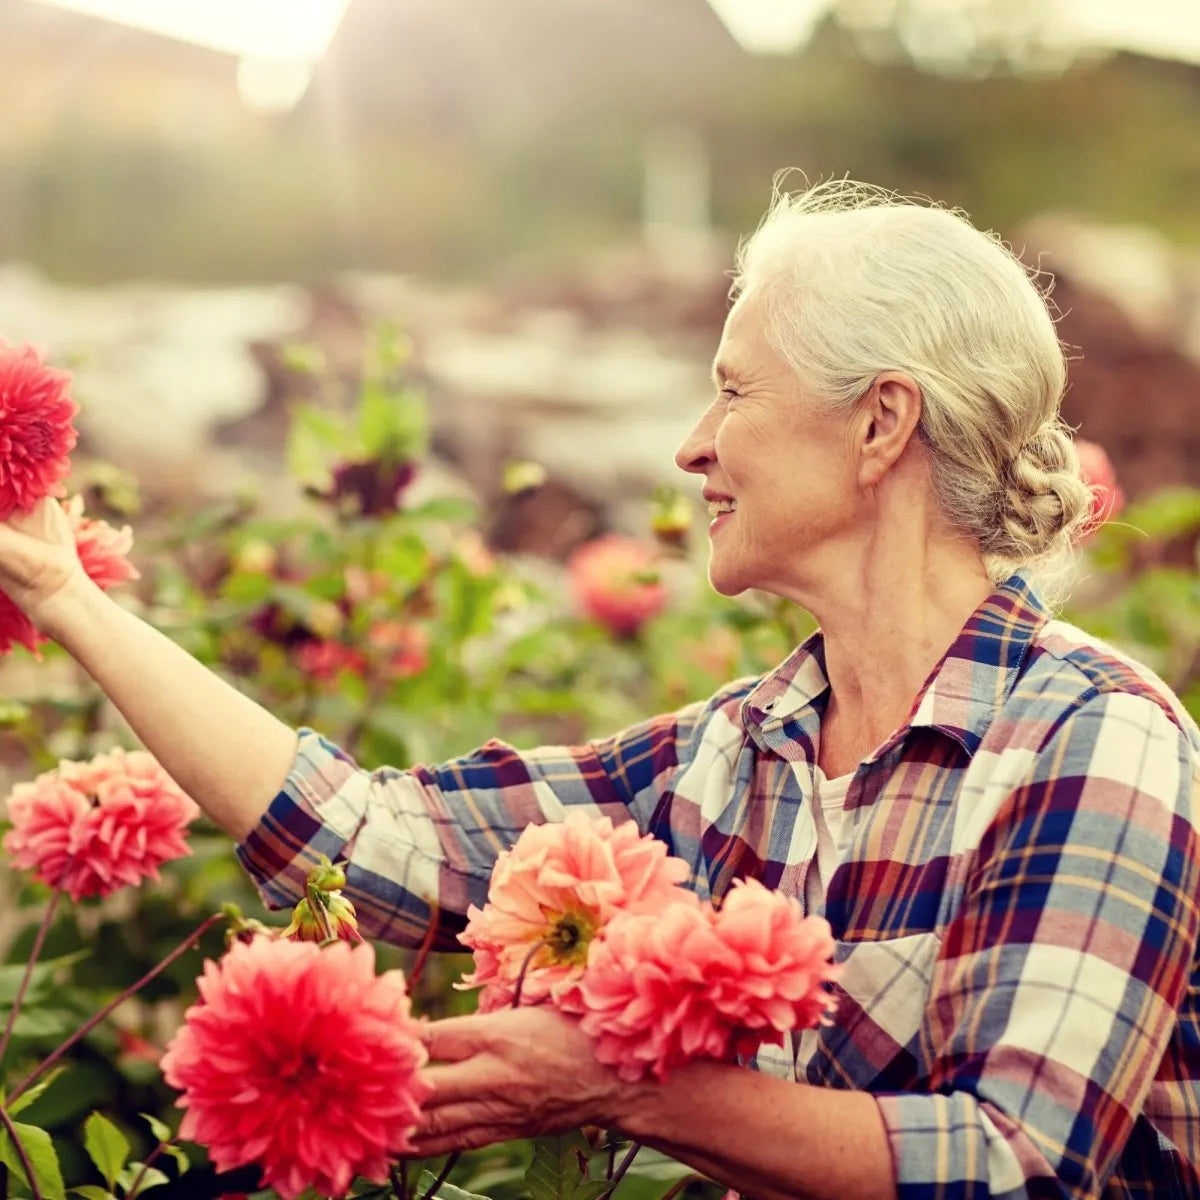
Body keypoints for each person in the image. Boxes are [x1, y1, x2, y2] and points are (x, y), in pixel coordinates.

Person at [0, 180, 1197, 1200]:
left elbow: (1015, 1164)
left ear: (882, 421)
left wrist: (624, 1087)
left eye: (736, 391)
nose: (692, 444)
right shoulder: (738, 751)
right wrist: (67, 595)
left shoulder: (1095, 737)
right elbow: (369, 837)